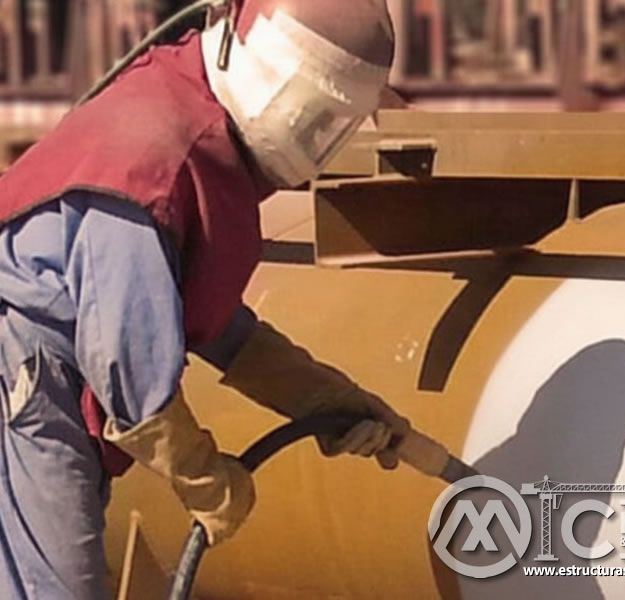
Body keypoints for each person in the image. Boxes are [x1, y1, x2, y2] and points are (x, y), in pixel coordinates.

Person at [0, 0, 410, 598]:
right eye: (303, 108)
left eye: (326, 122)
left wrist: (327, 399)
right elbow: (128, 369)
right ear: (235, 41)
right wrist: (203, 477)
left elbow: (207, 318)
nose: (307, 134)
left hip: (53, 365)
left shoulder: (204, 130)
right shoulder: (150, 158)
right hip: (27, 367)